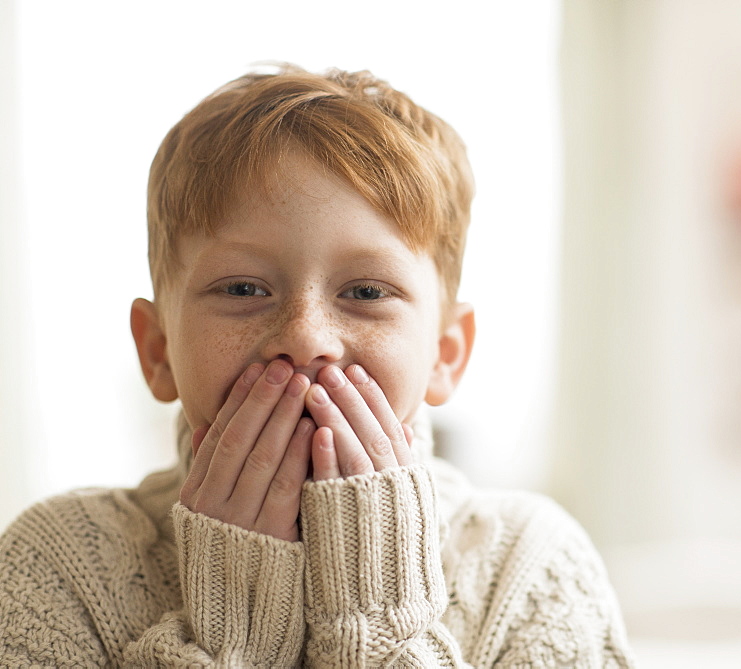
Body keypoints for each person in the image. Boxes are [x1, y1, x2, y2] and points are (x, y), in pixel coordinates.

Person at [0, 65, 635, 667]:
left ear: (445, 354)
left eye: (365, 292)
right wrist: (234, 645)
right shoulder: (57, 566)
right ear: (158, 350)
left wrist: (381, 629)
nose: (305, 340)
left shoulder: (532, 567)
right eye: (244, 289)